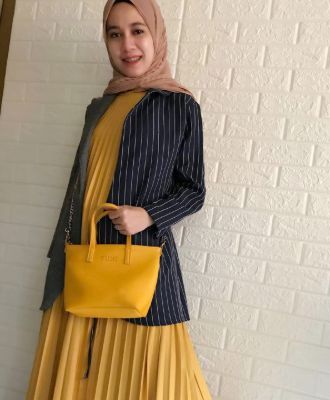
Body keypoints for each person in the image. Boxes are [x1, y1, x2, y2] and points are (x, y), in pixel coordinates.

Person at [25, 0, 212, 398]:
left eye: (137, 30)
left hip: (138, 259)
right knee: (81, 369)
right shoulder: (100, 107)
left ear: (156, 34)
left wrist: (148, 215)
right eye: (115, 34)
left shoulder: (178, 106)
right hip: (84, 258)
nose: (127, 44)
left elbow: (193, 190)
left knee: (152, 372)